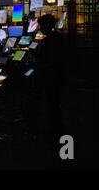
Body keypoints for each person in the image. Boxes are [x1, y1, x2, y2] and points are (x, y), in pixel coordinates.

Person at [36, 14, 65, 143]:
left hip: (50, 75)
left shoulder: (51, 41)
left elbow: (52, 59)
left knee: (52, 102)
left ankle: (55, 130)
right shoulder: (56, 38)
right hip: (53, 75)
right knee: (53, 103)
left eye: (41, 26)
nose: (40, 28)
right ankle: (56, 128)